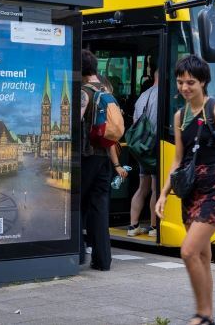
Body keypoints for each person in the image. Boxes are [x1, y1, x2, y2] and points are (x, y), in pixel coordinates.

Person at [155, 55, 215, 325]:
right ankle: (208, 314)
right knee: (202, 254)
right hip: (192, 190)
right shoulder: (180, 116)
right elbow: (178, 160)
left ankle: (202, 314)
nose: (184, 87)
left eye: (190, 82)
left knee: (188, 251)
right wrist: (163, 193)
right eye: (180, 82)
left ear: (203, 81)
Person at [80, 49, 127, 271]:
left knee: (76, 205)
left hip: (86, 157)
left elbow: (75, 123)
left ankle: (77, 254)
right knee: (99, 207)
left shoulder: (84, 93)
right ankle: (102, 260)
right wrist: (115, 163)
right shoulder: (107, 91)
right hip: (104, 158)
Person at [127, 68, 159, 237]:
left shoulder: (142, 97)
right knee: (155, 188)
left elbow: (135, 122)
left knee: (142, 188)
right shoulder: (164, 95)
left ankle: (133, 226)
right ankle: (154, 227)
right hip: (155, 147)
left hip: (141, 148)